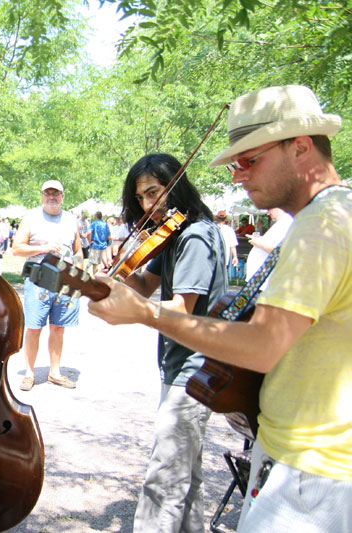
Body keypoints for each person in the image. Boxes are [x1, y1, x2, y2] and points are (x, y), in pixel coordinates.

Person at [89, 85, 350, 532]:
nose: (237, 175)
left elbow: (264, 343)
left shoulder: (321, 227)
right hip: (295, 457)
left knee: (166, 480)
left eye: (249, 161)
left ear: (301, 147)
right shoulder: (322, 220)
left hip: (311, 471)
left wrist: (146, 313)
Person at [109, 153, 227, 532]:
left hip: (196, 369)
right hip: (180, 365)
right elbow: (145, 285)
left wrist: (134, 310)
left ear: (177, 185)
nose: (148, 204)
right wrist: (120, 271)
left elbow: (181, 309)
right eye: (141, 198)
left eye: (154, 192)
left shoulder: (194, 235)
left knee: (164, 479)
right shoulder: (174, 235)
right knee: (185, 476)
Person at [12, 179, 83, 391]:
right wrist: (43, 249)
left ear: (62, 196)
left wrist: (77, 266)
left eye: (56, 193)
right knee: (34, 328)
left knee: (59, 328)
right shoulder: (31, 218)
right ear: (42, 196)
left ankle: (54, 372)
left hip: (65, 280)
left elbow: (79, 251)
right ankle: (29, 373)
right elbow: (16, 249)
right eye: (47, 193)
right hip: (38, 278)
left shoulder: (71, 220)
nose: (51, 196)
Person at [245, 208, 293, 290]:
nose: (267, 213)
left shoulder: (286, 223)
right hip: (260, 279)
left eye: (269, 209)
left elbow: (280, 251)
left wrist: (259, 243)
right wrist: (259, 240)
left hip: (264, 279)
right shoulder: (281, 223)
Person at [215, 210, 239, 278]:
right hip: (224, 258)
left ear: (216, 217)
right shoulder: (230, 230)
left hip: (213, 258)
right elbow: (233, 246)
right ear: (225, 219)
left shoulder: (213, 228)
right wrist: (235, 257)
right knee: (222, 278)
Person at [86, 211, 110, 277]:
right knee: (106, 264)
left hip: (95, 245)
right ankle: (106, 279)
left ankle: (95, 279)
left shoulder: (94, 224)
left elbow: (88, 233)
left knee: (95, 265)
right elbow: (108, 235)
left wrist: (89, 241)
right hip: (104, 246)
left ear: (96, 216)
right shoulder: (105, 224)